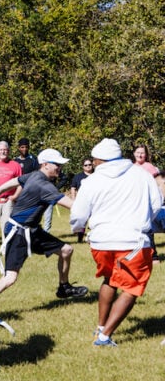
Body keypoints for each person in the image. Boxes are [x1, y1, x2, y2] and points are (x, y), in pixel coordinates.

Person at [70, 139, 161, 347]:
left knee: (109, 279)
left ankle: (101, 326)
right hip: (134, 241)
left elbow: (78, 214)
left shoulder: (91, 181)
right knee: (132, 287)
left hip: (101, 241)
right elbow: (155, 204)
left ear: (99, 159)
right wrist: (142, 220)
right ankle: (104, 337)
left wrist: (78, 229)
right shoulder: (142, 175)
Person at [0, 148, 88, 310]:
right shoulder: (44, 185)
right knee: (10, 278)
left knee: (66, 250)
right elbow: (73, 206)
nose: (60, 168)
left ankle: (64, 287)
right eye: (57, 164)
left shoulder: (35, 175)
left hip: (32, 230)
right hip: (19, 232)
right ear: (45, 164)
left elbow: (15, 181)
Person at [133, 144, 164, 261]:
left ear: (146, 155)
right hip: (135, 202)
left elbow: (157, 185)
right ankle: (138, 255)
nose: (140, 155)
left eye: (142, 153)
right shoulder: (131, 167)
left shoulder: (150, 167)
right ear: (134, 153)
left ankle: (153, 256)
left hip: (147, 202)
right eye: (138, 152)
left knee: (148, 230)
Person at [69, 159, 94, 242]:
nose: (88, 166)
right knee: (82, 221)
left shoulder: (97, 175)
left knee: (94, 221)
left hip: (95, 201)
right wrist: (73, 199)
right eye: (86, 165)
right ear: (83, 166)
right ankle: (80, 238)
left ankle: (94, 238)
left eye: (89, 164)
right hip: (82, 202)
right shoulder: (78, 177)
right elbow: (73, 188)